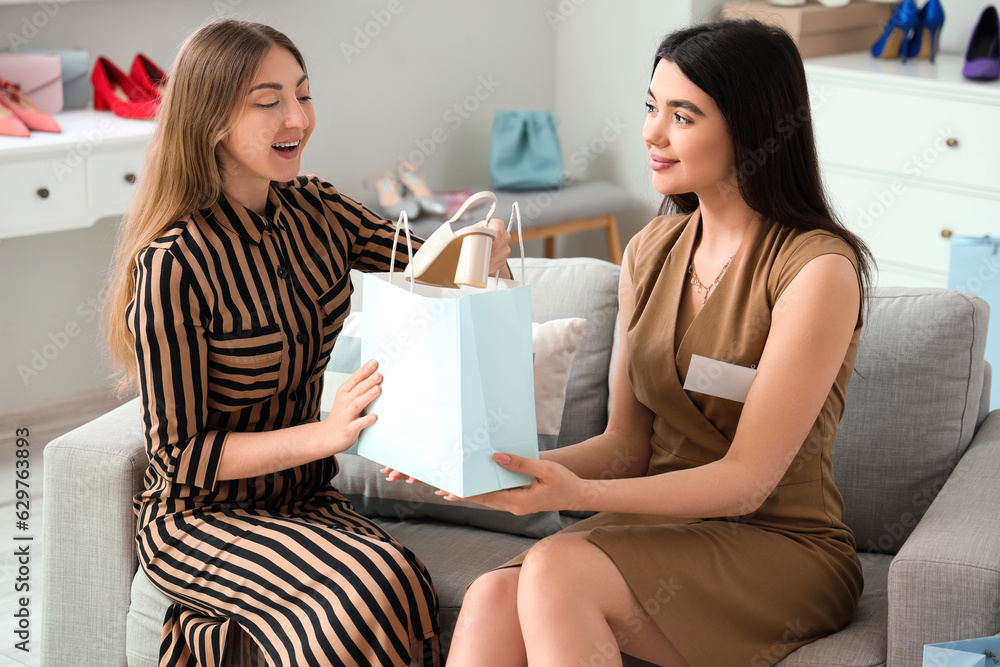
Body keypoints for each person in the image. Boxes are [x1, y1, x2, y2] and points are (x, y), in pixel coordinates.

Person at [433, 19, 875, 667]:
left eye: (683, 115)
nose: (652, 133)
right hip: (664, 530)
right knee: (491, 595)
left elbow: (748, 483)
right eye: (650, 107)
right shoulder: (649, 250)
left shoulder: (817, 270)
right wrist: (498, 467)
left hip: (780, 544)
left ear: (751, 129)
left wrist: (572, 495)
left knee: (556, 566)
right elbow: (625, 446)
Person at [102, 18, 510, 667]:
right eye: (269, 102)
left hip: (302, 496)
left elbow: (414, 265)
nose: (297, 117)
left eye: (303, 93)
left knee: (402, 577)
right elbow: (181, 456)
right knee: (360, 589)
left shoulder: (315, 207)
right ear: (211, 120)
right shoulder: (174, 264)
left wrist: (478, 242)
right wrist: (325, 434)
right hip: (200, 517)